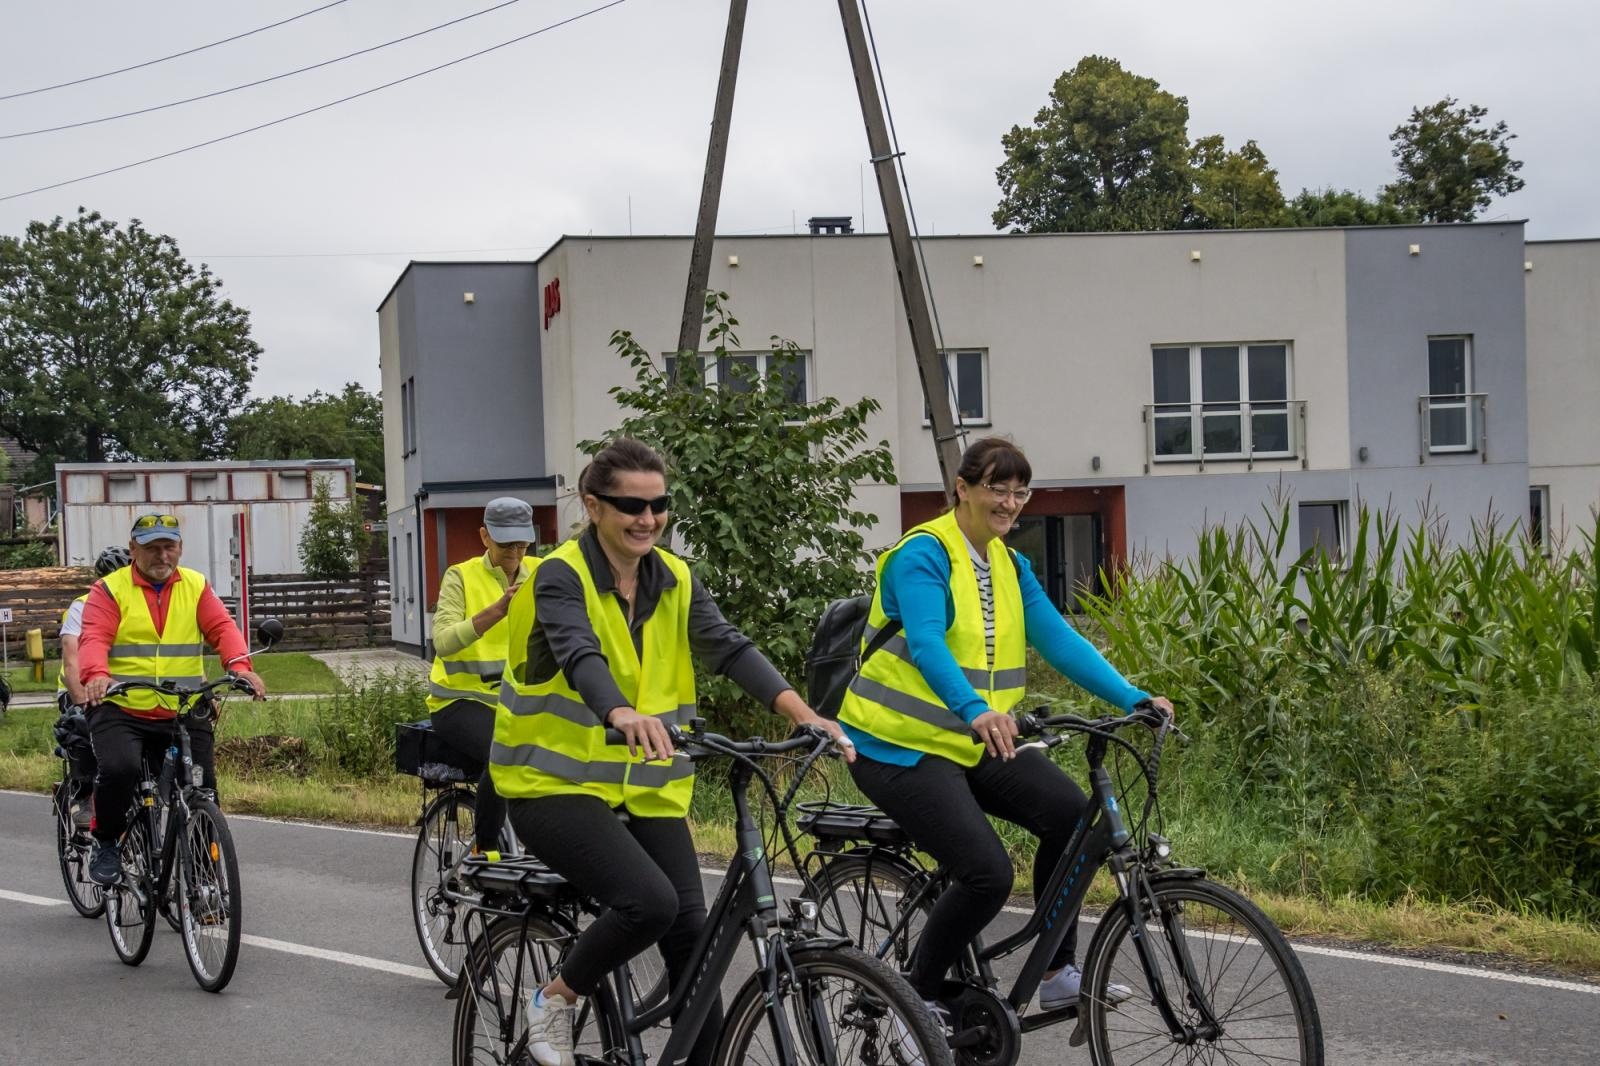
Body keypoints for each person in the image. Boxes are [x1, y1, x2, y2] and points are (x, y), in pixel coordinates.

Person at [489, 438, 850, 1066]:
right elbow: (580, 654)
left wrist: (804, 713)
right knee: (647, 904)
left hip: (646, 785)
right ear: (593, 505)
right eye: (631, 505)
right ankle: (556, 997)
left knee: (693, 933)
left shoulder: (674, 576)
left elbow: (729, 648)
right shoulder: (559, 576)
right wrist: (620, 711)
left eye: (659, 505)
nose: (648, 519)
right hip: (551, 786)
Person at [836, 437, 1174, 1017]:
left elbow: (1059, 639)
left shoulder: (1009, 564)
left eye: (1021, 491)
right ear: (962, 489)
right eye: (997, 487)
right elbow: (925, 642)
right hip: (895, 747)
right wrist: (974, 709)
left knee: (1072, 818)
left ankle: (1056, 969)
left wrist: (1134, 696)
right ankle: (915, 1001)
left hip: (973, 741)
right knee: (987, 873)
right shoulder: (922, 555)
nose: (1011, 501)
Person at [79, 514, 266, 886]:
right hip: (123, 708)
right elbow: (94, 637)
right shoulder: (110, 590)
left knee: (202, 790)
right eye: (151, 548)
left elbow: (221, 628)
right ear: (134, 550)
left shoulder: (195, 586)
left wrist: (240, 667)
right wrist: (97, 675)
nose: (161, 556)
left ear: (179, 548)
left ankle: (204, 881)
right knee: (119, 769)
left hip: (181, 708)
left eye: (169, 547)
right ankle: (107, 841)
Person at [425, 497, 537, 854]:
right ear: (484, 536)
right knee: (502, 754)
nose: (515, 553)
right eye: (506, 544)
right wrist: (497, 611)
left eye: (522, 544)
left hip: (517, 703)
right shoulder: (461, 576)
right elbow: (442, 642)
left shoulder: (542, 571)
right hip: (459, 701)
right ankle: (484, 849)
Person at [53, 546, 132, 830]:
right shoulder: (82, 606)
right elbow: (71, 658)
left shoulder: (139, 604)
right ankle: (82, 793)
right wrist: (82, 701)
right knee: (82, 726)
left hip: (120, 688)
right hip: (80, 688)